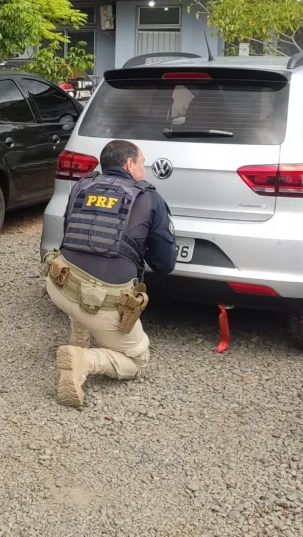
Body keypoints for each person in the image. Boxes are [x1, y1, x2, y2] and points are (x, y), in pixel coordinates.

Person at [43, 139, 177, 408]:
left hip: (58, 285)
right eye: (142, 164)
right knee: (137, 360)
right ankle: (84, 360)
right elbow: (164, 263)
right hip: (102, 302)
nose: (144, 171)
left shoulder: (82, 185)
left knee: (83, 270)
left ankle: (79, 338)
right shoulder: (149, 198)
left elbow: (72, 235)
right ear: (129, 164)